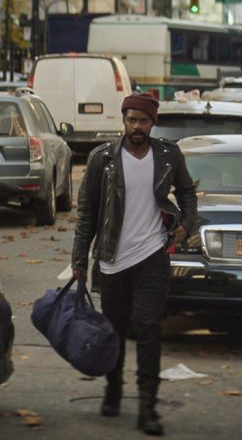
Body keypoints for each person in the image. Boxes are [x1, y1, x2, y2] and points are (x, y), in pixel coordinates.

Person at [71, 92, 198, 436]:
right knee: (115, 331)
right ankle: (113, 389)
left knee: (149, 329)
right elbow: (87, 214)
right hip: (113, 259)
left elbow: (187, 192)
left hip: (153, 256)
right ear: (123, 121)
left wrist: (186, 224)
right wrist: (79, 260)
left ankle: (147, 407)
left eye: (142, 120)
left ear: (152, 122)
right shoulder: (103, 159)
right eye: (130, 120)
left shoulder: (169, 155)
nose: (136, 127)